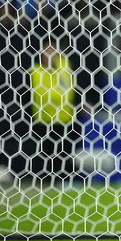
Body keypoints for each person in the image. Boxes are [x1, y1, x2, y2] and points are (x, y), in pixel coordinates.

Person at [29, 39, 80, 185]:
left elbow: (69, 92)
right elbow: (40, 95)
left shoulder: (65, 66)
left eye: (53, 51)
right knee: (46, 156)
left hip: (65, 119)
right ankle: (47, 183)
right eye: (47, 51)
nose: (50, 55)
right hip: (43, 120)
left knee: (65, 154)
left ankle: (67, 181)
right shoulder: (35, 71)